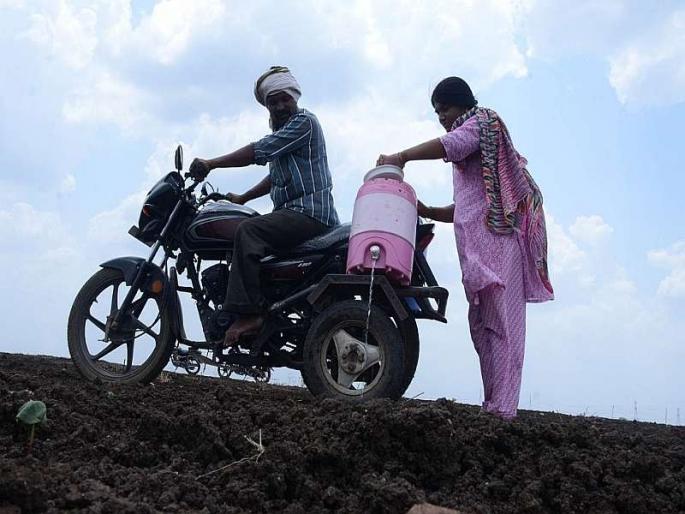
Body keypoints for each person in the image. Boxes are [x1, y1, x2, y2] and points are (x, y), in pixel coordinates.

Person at [377, 77, 554, 419]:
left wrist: (402, 157)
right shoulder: (476, 158)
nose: (440, 116)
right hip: (478, 251)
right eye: (436, 111)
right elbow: (468, 208)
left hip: (499, 248)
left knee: (503, 327)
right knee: (482, 327)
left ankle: (503, 410)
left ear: (460, 102)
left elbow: (450, 144)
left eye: (443, 108)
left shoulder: (481, 125)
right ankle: (493, 405)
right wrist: (428, 211)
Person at [189, 66, 339, 346]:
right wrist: (243, 199)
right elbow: (276, 175)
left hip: (308, 214)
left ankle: (248, 313)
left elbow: (258, 151)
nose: (281, 105)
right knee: (250, 226)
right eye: (273, 101)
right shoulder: (286, 132)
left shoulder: (304, 123)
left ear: (295, 97)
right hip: (296, 214)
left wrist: (211, 163)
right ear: (266, 105)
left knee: (248, 232)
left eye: (285, 99)